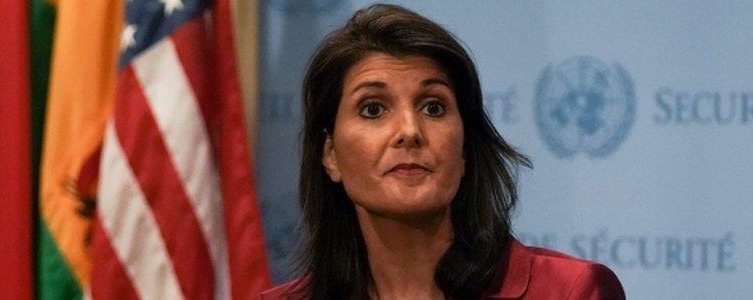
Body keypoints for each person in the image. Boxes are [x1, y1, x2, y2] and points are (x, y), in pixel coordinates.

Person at [261, 4, 625, 300]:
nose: (409, 131)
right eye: (373, 109)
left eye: (433, 107)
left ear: (464, 147)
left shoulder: (570, 291)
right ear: (330, 155)